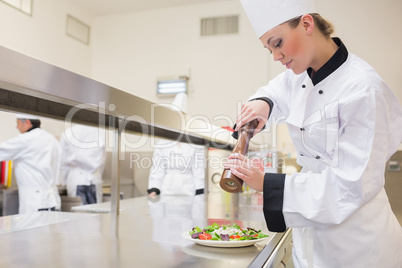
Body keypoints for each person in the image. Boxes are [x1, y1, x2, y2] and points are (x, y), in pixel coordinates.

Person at [224, 0, 402, 267]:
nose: (275, 56)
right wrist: (264, 103)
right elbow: (275, 91)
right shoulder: (300, 74)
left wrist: (266, 183)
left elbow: (349, 188)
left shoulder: (363, 90)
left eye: (278, 43)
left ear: (307, 24)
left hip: (357, 246)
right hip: (311, 239)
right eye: (268, 49)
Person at [0, 114, 62, 213]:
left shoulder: (25, 139)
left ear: (27, 122)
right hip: (52, 200)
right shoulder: (51, 138)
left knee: (33, 228)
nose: (17, 127)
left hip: (34, 201)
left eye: (18, 123)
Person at [147, 93, 206, 197]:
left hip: (188, 190)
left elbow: (198, 169)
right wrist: (154, 188)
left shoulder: (195, 142)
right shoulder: (162, 142)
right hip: (167, 190)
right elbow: (158, 167)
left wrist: (200, 189)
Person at [59, 124, 106, 205]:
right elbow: (103, 160)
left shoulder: (67, 133)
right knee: (96, 214)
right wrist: (98, 175)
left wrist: (63, 182)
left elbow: (62, 162)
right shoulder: (100, 132)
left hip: (75, 178)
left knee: (78, 214)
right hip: (94, 178)